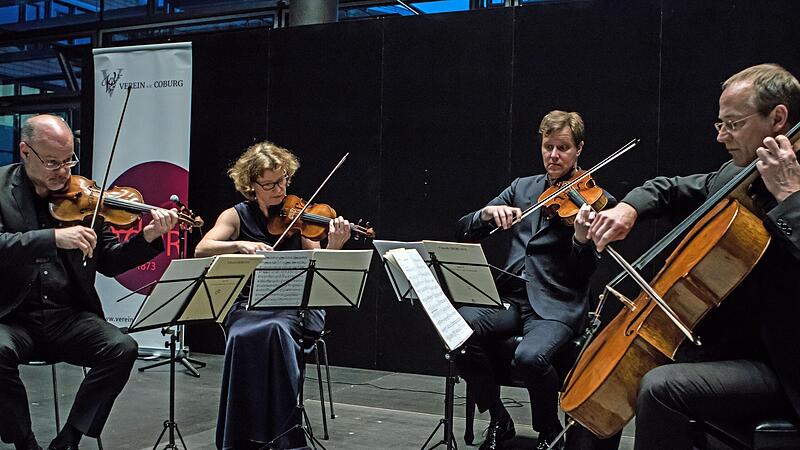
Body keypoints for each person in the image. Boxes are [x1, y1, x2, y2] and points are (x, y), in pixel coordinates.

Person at [586, 63, 800, 449]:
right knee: (610, 366)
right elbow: (668, 188)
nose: (722, 136)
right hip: (728, 345)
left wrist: (789, 198)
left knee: (659, 386)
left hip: (782, 363)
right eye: (720, 124)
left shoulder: (792, 186)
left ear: (778, 118)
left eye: (733, 124)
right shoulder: (737, 176)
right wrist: (628, 209)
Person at [0, 114, 179, 450]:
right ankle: (23, 441)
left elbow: (110, 261)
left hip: (67, 316)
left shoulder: (86, 197)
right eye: (53, 162)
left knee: (122, 348)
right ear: (25, 152)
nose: (63, 171)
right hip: (12, 315)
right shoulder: (0, 188)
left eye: (69, 160)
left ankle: (70, 437)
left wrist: (149, 236)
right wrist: (51, 237)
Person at [455, 110, 615, 450]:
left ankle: (548, 430)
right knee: (458, 333)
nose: (554, 156)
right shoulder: (521, 188)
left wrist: (582, 239)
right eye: (548, 147)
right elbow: (464, 227)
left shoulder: (595, 201)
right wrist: (486, 214)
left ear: (579, 149)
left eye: (563, 148)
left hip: (557, 305)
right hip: (511, 298)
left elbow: (585, 271)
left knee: (530, 358)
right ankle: (499, 417)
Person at [195, 141, 351, 450]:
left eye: (283, 181)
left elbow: (317, 263)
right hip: (247, 303)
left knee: (276, 330)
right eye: (269, 184)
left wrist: (335, 244)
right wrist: (239, 245)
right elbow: (203, 248)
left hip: (294, 303)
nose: (279, 190)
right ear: (251, 186)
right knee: (240, 335)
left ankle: (283, 435)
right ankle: (241, 436)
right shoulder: (235, 216)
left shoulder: (302, 218)